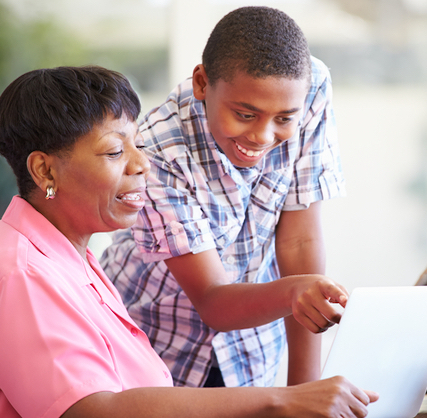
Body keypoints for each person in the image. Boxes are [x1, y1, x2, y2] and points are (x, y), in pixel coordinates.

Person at [0, 66, 377, 418]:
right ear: (45, 171)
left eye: (137, 145)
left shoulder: (68, 256)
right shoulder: (19, 271)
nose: (142, 165)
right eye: (115, 151)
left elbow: (132, 401)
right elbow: (85, 416)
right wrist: (281, 401)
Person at [102, 6, 347, 389]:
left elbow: (300, 241)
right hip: (156, 351)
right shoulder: (157, 150)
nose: (263, 136)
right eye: (246, 115)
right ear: (202, 83)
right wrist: (297, 293)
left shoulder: (309, 86)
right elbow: (214, 301)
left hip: (252, 353)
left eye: (283, 119)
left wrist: (303, 393)